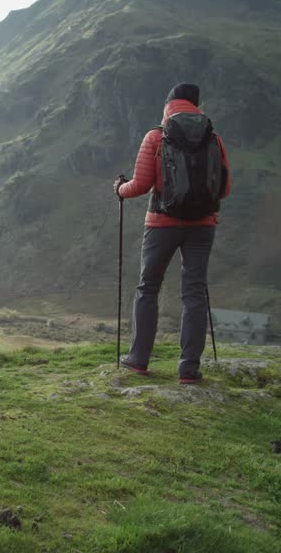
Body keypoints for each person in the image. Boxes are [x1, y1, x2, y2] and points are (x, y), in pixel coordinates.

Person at [114, 82, 231, 384]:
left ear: (168, 105)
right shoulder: (213, 139)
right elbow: (225, 188)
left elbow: (140, 185)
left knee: (148, 288)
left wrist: (119, 189)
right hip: (203, 226)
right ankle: (189, 369)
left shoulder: (156, 136)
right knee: (194, 293)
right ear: (196, 106)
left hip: (161, 225)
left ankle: (138, 360)